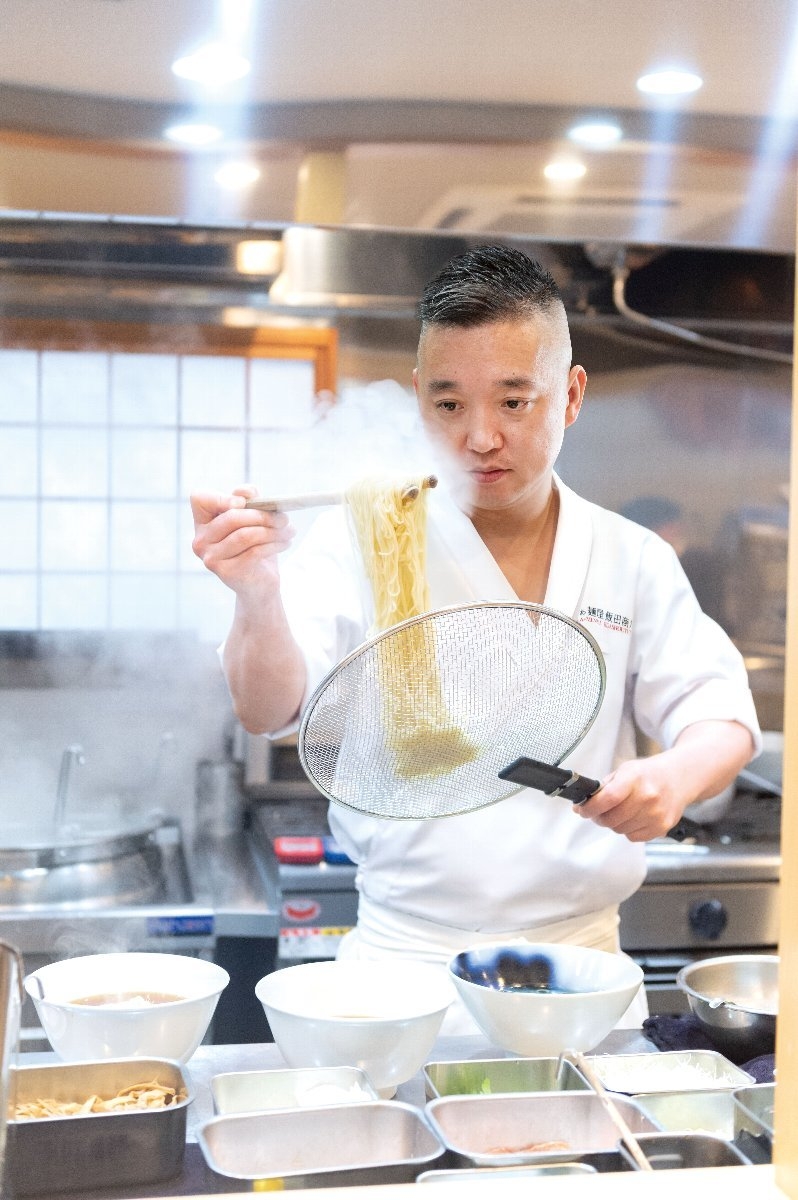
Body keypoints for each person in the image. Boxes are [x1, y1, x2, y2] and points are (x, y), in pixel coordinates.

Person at [191, 244, 760, 1031]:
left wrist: (674, 777)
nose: (480, 438)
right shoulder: (361, 536)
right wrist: (255, 592)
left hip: (583, 972)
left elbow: (720, 715)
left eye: (513, 402)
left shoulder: (630, 558)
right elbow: (268, 708)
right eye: (450, 405)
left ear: (571, 395)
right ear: (419, 396)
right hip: (403, 972)